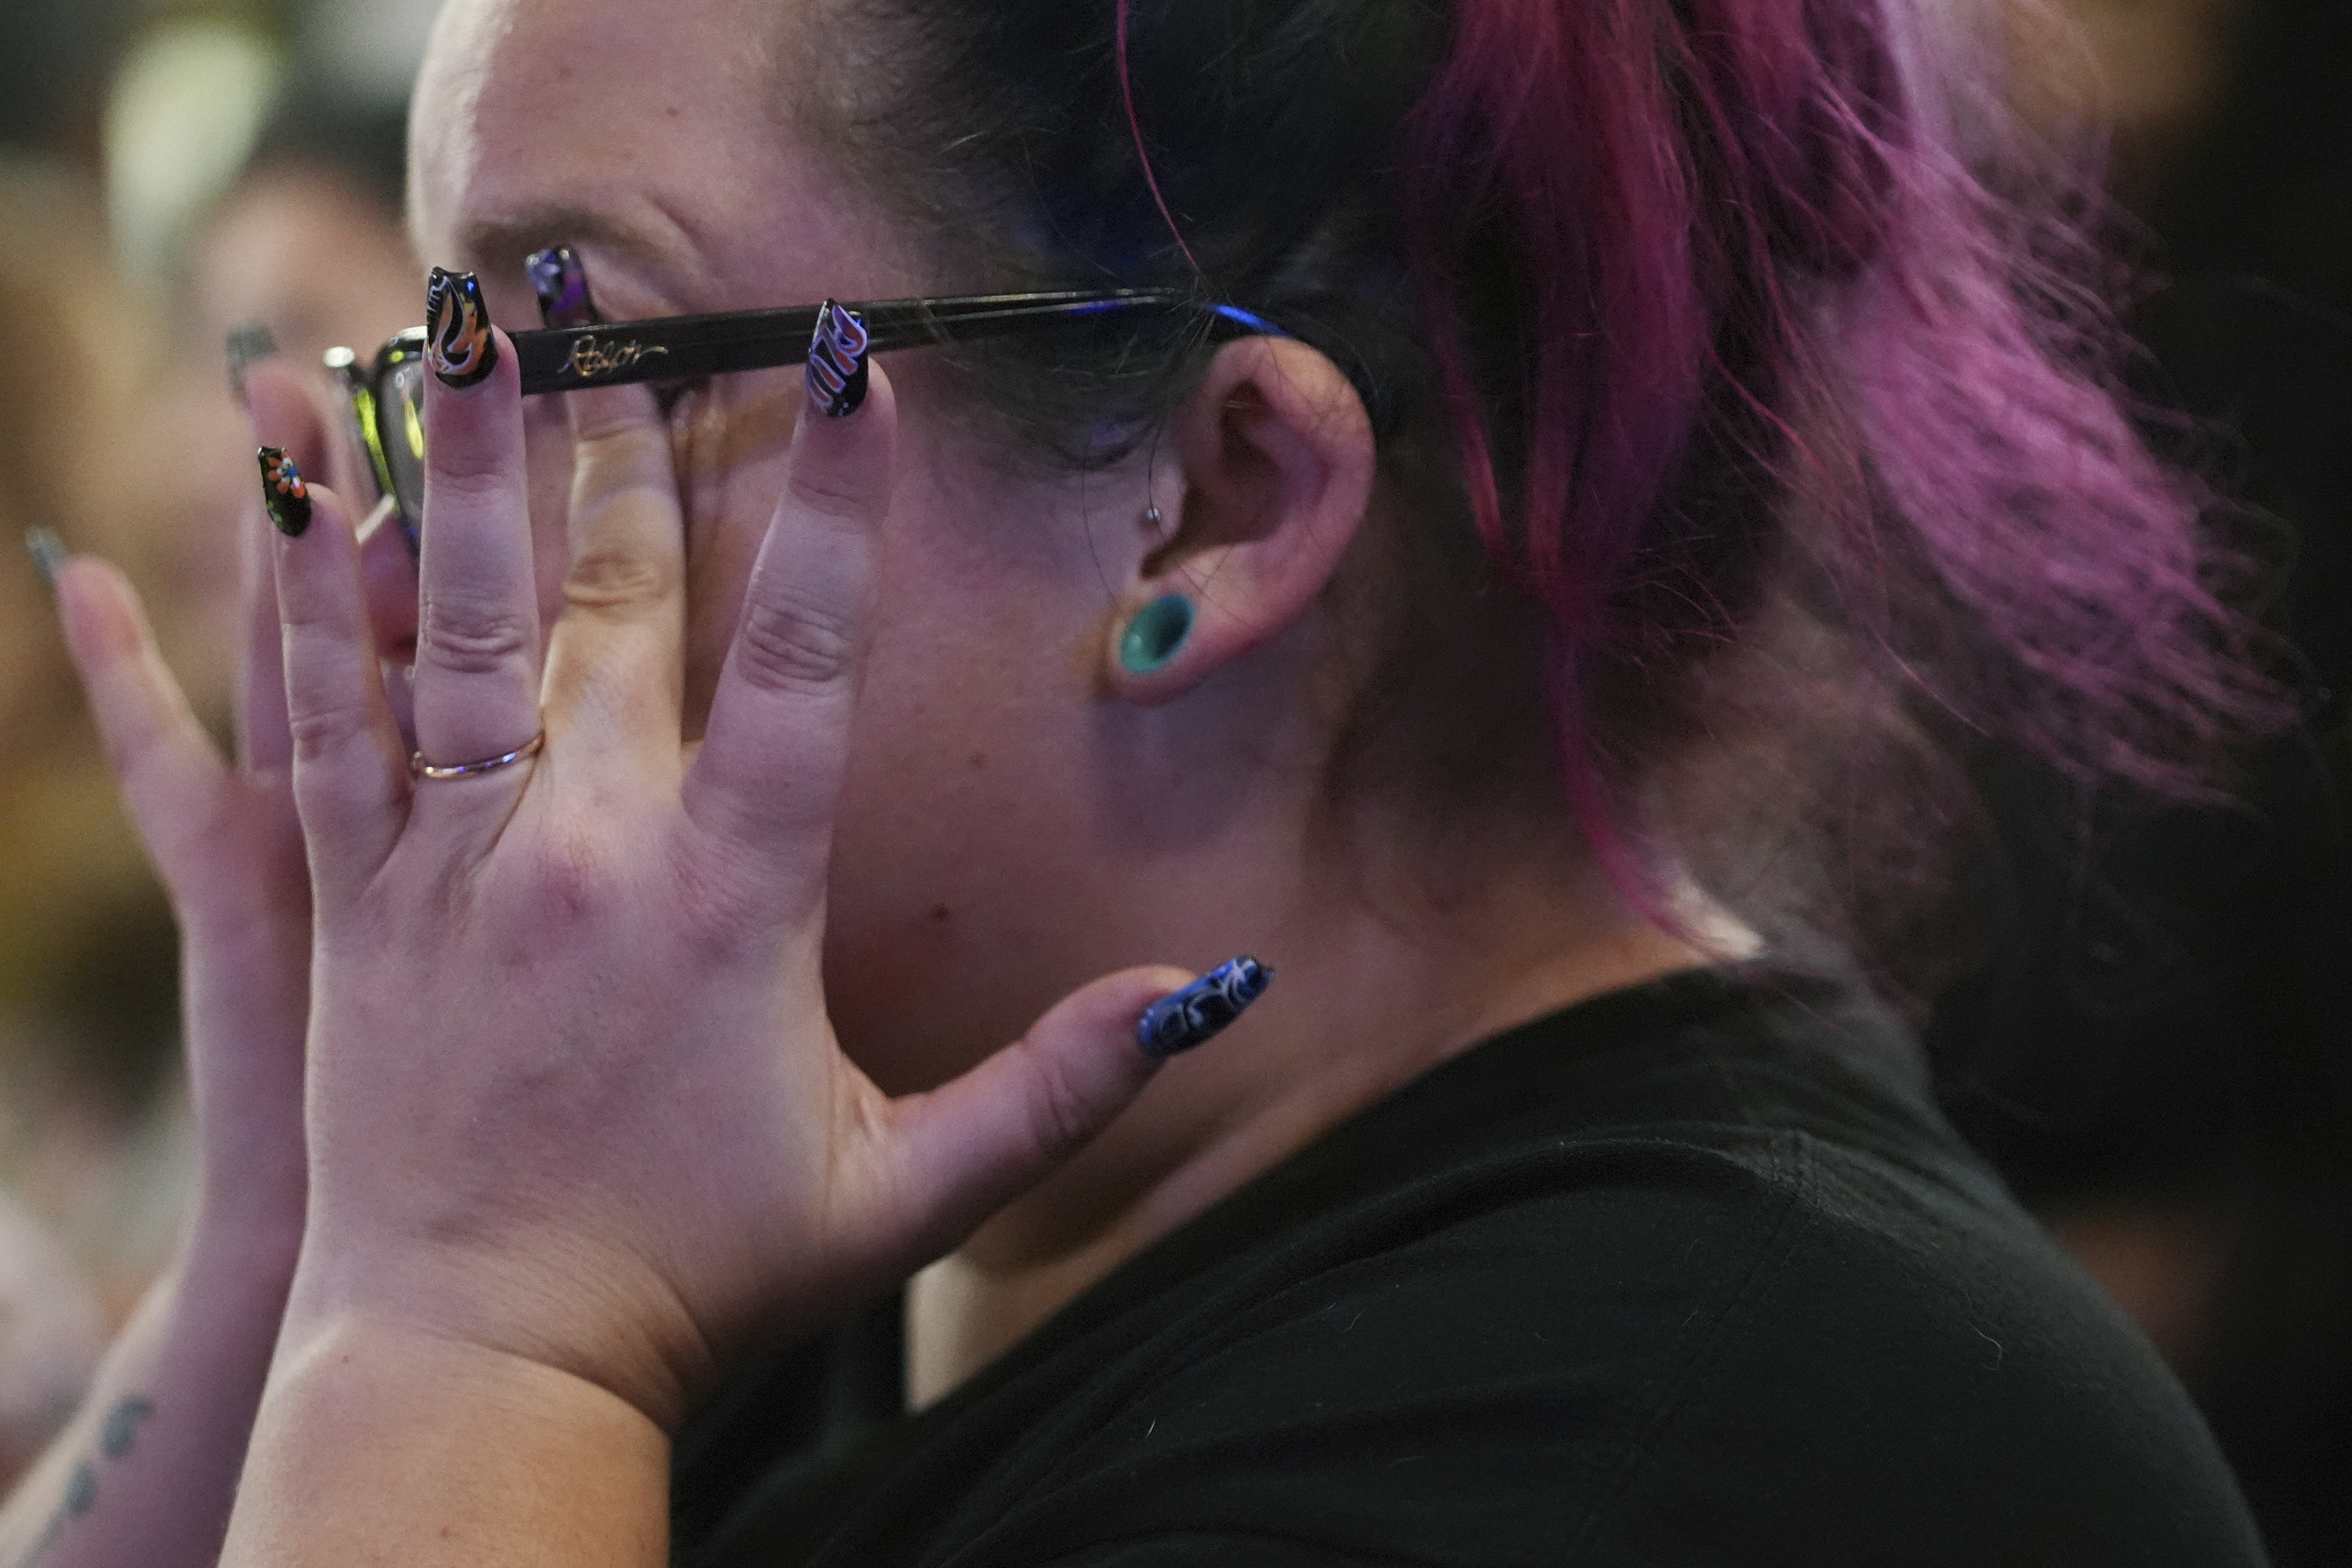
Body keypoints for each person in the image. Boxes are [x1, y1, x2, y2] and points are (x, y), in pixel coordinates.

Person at [0, 0, 2289, 1562]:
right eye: (435, 368)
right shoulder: (783, 1220)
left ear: (1209, 506)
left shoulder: (1697, 1443)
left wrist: (455, 1325)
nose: (404, 567)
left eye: (571, 360)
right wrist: (310, 1222)